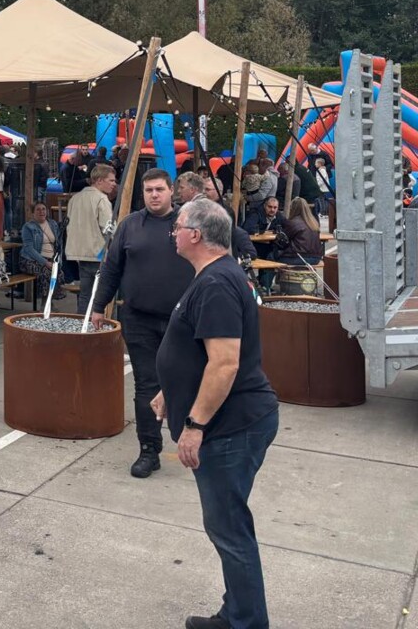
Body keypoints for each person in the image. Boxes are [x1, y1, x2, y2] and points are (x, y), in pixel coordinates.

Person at [154, 197, 279, 629]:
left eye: (177, 226)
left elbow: (225, 364)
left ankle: (246, 622)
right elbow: (198, 352)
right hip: (230, 424)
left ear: (195, 235)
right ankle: (238, 613)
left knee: (229, 530)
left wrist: (194, 425)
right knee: (227, 527)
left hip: (231, 428)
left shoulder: (217, 283)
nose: (173, 233)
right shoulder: (212, 276)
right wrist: (171, 391)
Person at [89, 169, 189, 479]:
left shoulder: (189, 223)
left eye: (159, 189)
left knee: (185, 383)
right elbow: (112, 269)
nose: (154, 195)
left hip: (182, 322)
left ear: (171, 191)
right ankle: (149, 449)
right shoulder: (130, 225)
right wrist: (98, 306)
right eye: (148, 190)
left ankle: (193, 441)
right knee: (146, 386)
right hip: (138, 319)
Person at [65, 163, 117, 314]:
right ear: (99, 180)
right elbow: (109, 229)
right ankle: (103, 325)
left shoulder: (75, 198)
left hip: (79, 253)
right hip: (98, 254)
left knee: (85, 295)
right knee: (104, 296)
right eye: (111, 180)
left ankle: (82, 323)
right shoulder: (101, 199)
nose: (114, 184)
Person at [20, 201, 64, 298]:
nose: (41, 212)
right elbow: (28, 248)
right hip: (31, 260)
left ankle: (51, 299)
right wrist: (45, 262)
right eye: (38, 210)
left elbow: (58, 244)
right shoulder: (28, 227)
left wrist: (58, 260)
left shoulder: (53, 224)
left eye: (43, 209)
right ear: (33, 213)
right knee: (46, 272)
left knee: (59, 272)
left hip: (51, 258)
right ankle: (45, 302)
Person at [277, 197, 324, 265]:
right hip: (315, 258)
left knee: (271, 256)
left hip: (298, 257)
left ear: (292, 208)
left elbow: (283, 240)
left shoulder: (292, 223)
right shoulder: (314, 223)